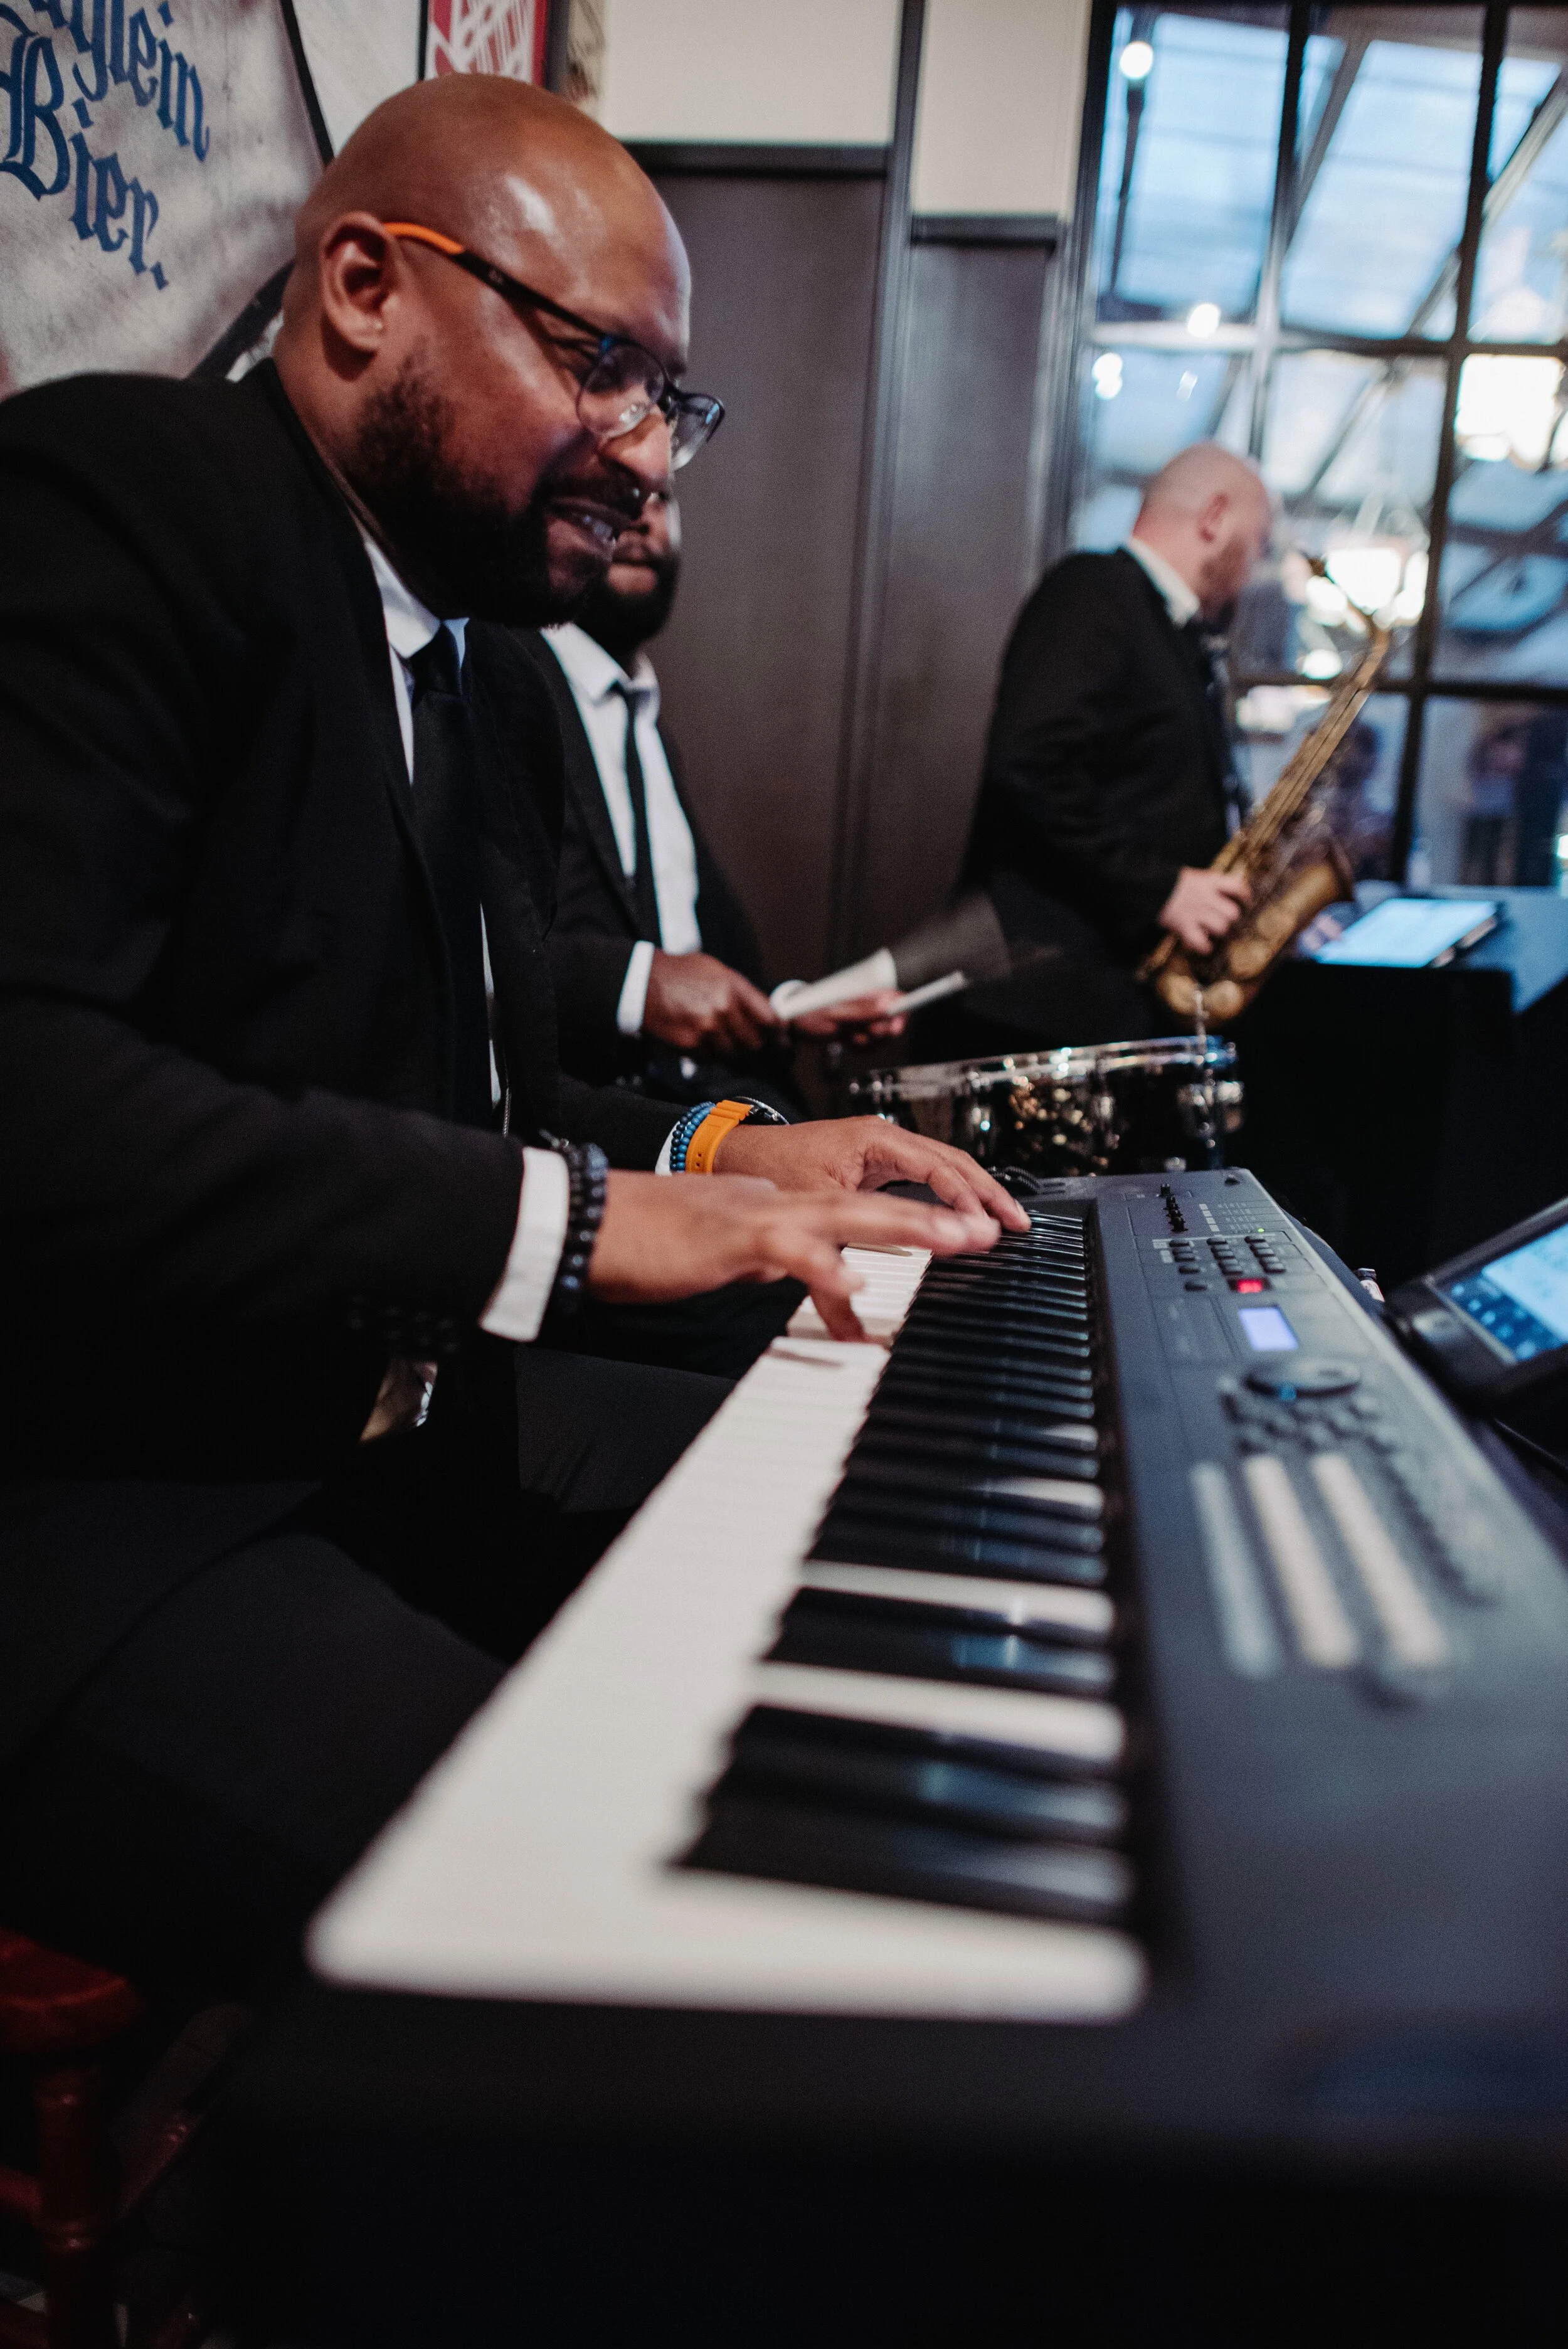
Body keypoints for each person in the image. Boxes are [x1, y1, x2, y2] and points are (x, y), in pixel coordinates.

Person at [0, 73, 1025, 1998]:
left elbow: (488, 1085)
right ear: (367, 286)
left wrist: (738, 1160)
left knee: (879, 1529)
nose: (651, 456)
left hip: (379, 1439)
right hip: (110, 1524)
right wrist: (582, 1221)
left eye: (671, 399)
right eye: (601, 366)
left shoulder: (449, 652)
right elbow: (38, 1098)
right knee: (623, 1961)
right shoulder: (121, 500)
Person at [520, 489, 896, 1108]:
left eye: (662, 497)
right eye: (615, 489)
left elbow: (693, 953)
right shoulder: (503, 680)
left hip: (713, 1098)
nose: (643, 515)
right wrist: (639, 985)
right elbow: (475, 946)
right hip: (591, 1120)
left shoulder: (647, 726)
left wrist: (788, 1008)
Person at [958, 442, 1274, 1048]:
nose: (1255, 567)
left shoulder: (1172, 631)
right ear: (1214, 517)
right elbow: (1028, 769)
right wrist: (1162, 889)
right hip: (1043, 1011)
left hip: (1103, 1007)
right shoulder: (1093, 590)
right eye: (1259, 541)